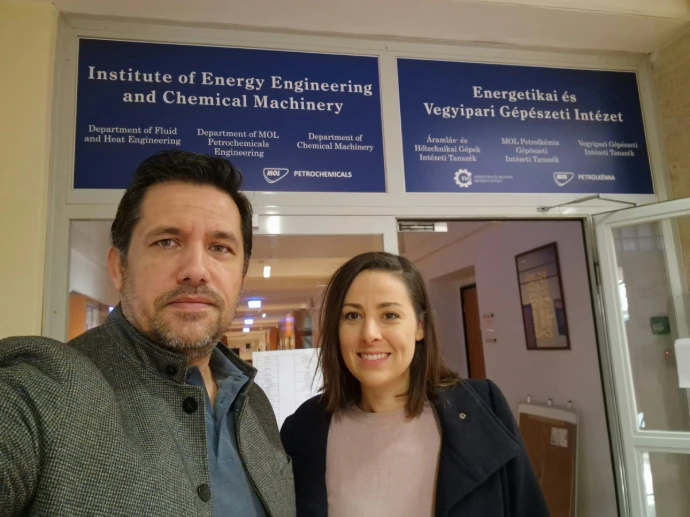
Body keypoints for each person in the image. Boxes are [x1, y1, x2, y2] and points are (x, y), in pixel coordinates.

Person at [0, 151, 295, 517]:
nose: (196, 270)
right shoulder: (43, 388)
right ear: (119, 268)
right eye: (167, 242)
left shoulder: (256, 406)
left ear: (241, 276)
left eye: (220, 248)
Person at [280, 252, 550, 517]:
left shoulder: (484, 408)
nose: (370, 334)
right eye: (352, 316)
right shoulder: (303, 430)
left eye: (389, 315)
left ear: (420, 326)